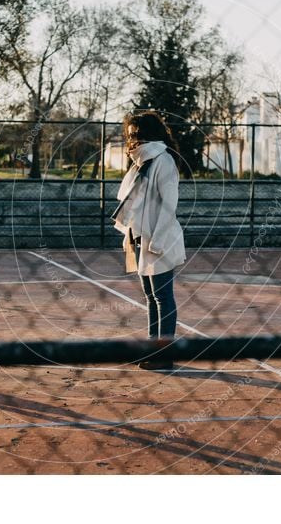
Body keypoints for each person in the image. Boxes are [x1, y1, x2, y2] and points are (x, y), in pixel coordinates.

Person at [113, 111, 185, 370]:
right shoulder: (141, 162)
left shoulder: (162, 161)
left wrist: (157, 241)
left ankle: (164, 355)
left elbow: (169, 206)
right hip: (142, 238)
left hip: (159, 238)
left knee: (163, 297)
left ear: (149, 133)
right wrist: (133, 237)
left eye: (136, 133)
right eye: (130, 134)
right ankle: (153, 350)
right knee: (151, 297)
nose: (131, 138)